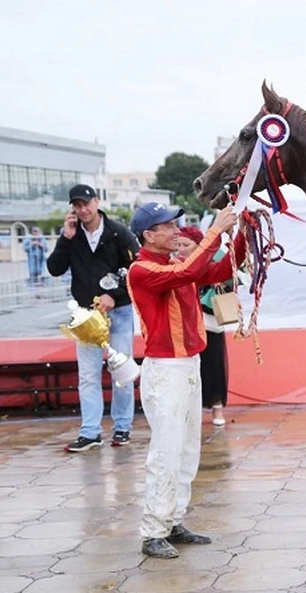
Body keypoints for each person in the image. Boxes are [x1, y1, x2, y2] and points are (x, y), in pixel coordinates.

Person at [127, 202, 245, 559]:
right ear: (149, 235)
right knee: (166, 450)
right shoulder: (141, 270)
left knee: (187, 449)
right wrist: (215, 232)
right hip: (166, 370)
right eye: (168, 225)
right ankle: (153, 531)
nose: (176, 229)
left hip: (186, 365)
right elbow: (192, 271)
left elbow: (221, 269)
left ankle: (172, 520)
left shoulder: (176, 264)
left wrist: (240, 237)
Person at [46, 184, 140, 452]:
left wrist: (116, 294)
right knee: (87, 375)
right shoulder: (72, 235)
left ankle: (122, 427)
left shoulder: (118, 233)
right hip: (85, 316)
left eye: (86, 203)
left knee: (120, 371)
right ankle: (90, 431)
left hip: (118, 311)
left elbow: (137, 269)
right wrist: (66, 237)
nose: (83, 209)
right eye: (77, 205)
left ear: (97, 202)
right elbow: (54, 269)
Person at [176, 225, 231, 426]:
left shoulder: (213, 258)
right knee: (190, 368)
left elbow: (232, 273)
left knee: (213, 364)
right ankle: (192, 409)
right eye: (178, 244)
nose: (181, 248)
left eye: (186, 244)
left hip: (210, 319)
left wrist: (221, 282)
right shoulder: (176, 264)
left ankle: (217, 407)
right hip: (187, 323)